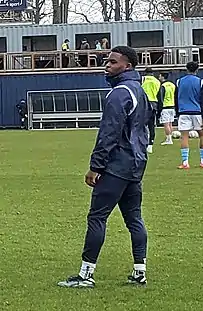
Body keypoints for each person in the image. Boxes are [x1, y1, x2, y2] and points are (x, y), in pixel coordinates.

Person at [58, 46, 151, 288]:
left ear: (127, 66)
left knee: (97, 217)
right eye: (106, 61)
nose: (106, 66)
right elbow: (145, 130)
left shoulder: (119, 93)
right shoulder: (139, 91)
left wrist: (95, 166)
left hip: (116, 166)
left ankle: (85, 275)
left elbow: (108, 134)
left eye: (112, 62)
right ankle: (139, 271)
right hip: (135, 165)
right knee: (134, 218)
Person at [175, 61, 203, 169]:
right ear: (197, 70)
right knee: (202, 136)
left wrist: (178, 113)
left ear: (186, 69)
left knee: (184, 137)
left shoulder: (179, 82)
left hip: (183, 112)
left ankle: (185, 163)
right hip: (197, 112)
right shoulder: (200, 82)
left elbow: (176, 99)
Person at [142, 67, 160, 153]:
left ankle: (142, 143)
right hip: (154, 103)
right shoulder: (157, 81)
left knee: (142, 124)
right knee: (151, 125)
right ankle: (150, 145)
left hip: (144, 103)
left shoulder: (143, 79)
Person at [158, 72, 176, 145]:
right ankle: (170, 138)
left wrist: (160, 108)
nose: (159, 78)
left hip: (165, 106)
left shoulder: (163, 86)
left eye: (159, 76)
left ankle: (169, 139)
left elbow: (161, 97)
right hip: (172, 106)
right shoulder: (172, 85)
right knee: (170, 123)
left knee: (166, 124)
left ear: (162, 77)